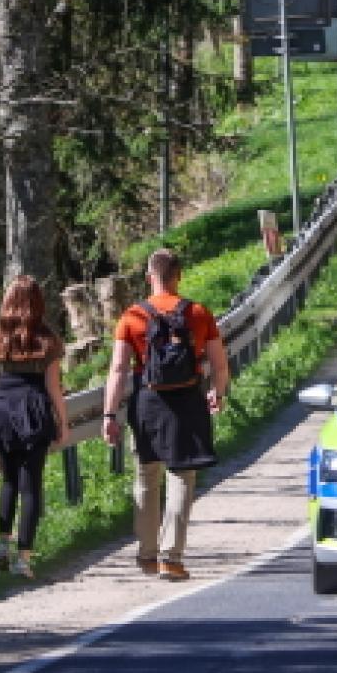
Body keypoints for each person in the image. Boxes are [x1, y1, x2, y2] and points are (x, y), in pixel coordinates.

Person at [102, 249, 229, 583]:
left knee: (146, 476)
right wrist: (218, 391)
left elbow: (117, 369)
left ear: (149, 278)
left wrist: (109, 414)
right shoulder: (199, 313)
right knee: (182, 477)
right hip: (187, 400)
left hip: (147, 401)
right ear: (179, 276)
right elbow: (218, 363)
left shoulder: (132, 317)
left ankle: (146, 553)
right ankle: (171, 557)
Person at [0, 276, 69, 579]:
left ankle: (2, 545)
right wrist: (62, 423)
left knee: (8, 482)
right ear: (39, 303)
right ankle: (23, 559)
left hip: (1, 414)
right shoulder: (48, 340)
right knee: (31, 487)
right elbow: (54, 388)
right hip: (35, 413)